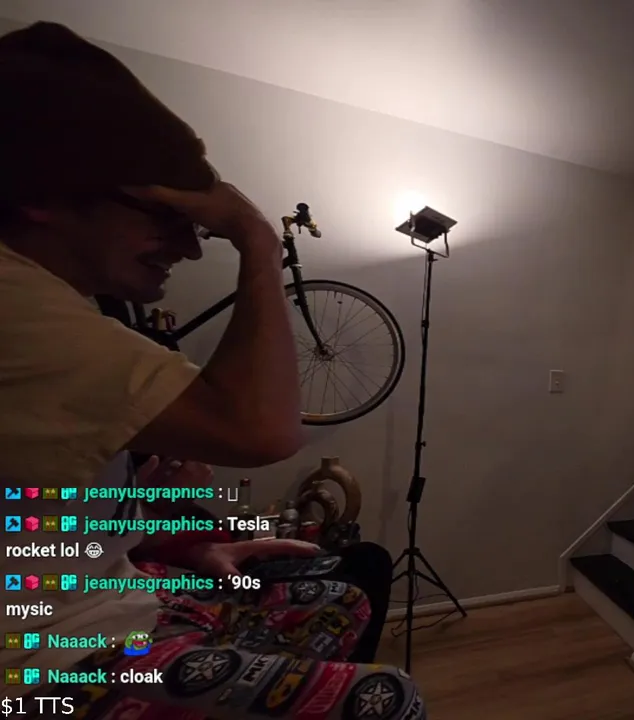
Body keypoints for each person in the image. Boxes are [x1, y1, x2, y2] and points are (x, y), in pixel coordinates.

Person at [0, 22, 422, 719]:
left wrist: (189, 548)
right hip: (39, 668)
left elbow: (39, 516)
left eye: (197, 226)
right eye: (164, 215)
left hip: (105, 607)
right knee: (387, 700)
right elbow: (261, 429)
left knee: (343, 596)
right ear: (43, 193)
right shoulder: (15, 304)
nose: (191, 250)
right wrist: (256, 239)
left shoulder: (65, 308)